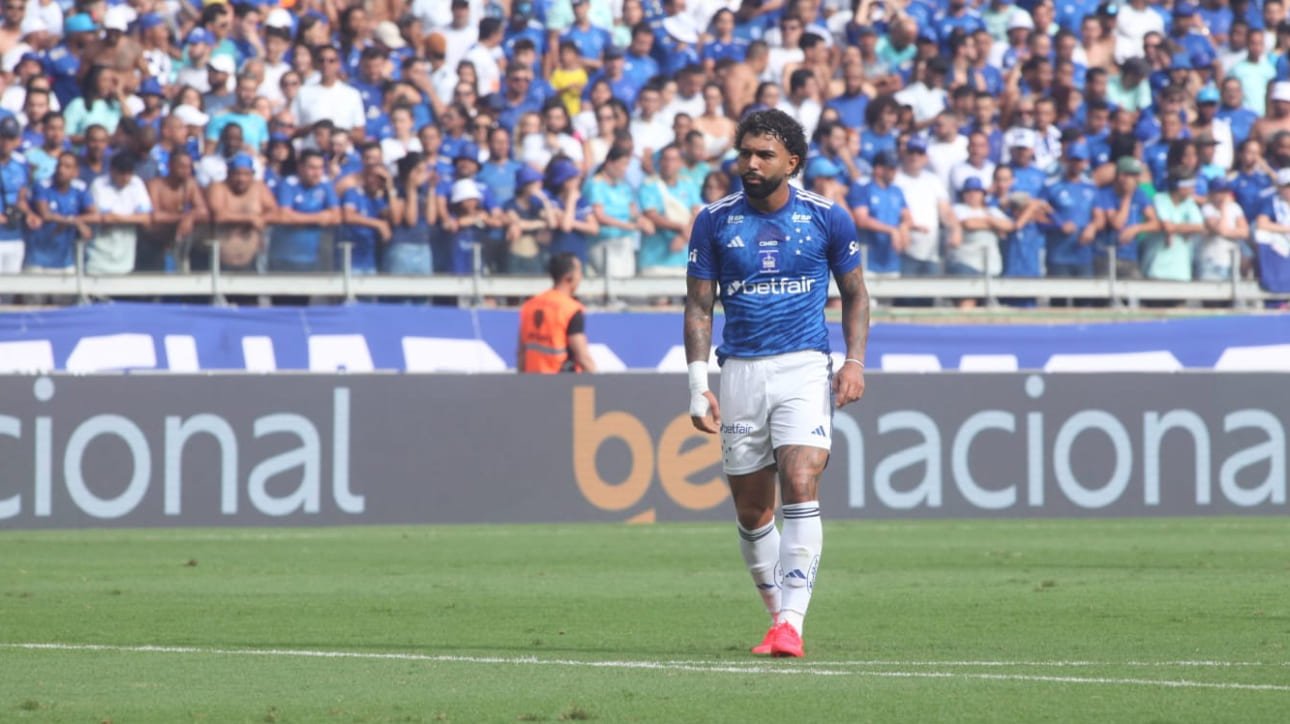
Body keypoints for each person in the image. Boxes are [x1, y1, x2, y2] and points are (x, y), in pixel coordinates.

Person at [684, 109, 870, 659]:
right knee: (750, 509)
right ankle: (777, 617)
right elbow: (699, 306)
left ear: (792, 162)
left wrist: (854, 360)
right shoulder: (714, 221)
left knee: (801, 476)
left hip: (805, 365)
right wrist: (699, 383)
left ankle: (792, 622)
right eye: (744, 153)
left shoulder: (827, 218)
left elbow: (856, 294)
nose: (750, 163)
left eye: (763, 154)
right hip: (739, 369)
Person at [516, 251, 597, 373]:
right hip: (561, 383)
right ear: (569, 277)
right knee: (585, 392)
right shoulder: (571, 309)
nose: (581, 277)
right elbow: (582, 357)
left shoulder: (530, 306)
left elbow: (522, 352)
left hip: (533, 382)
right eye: (579, 272)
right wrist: (601, 385)